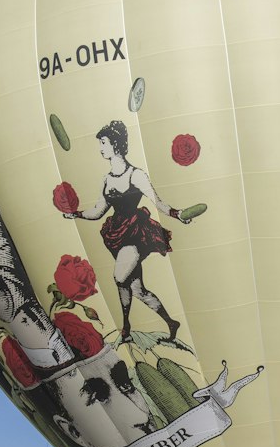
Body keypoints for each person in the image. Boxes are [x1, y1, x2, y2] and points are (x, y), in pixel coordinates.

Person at [68, 120, 192, 342]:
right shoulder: (106, 179)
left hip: (135, 233)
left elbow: (157, 202)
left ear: (115, 145)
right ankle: (164, 323)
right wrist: (76, 214)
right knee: (137, 289)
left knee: (119, 276)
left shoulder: (136, 175)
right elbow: (98, 211)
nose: (100, 148)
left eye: (103, 143)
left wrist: (177, 214)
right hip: (116, 234)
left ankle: (125, 328)